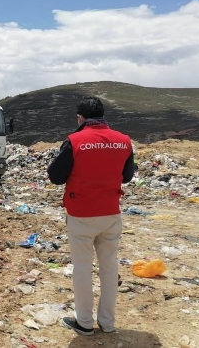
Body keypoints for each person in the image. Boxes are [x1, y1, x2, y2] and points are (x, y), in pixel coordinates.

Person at [46, 97, 134, 335]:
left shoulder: (75, 141)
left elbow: (55, 176)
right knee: (109, 267)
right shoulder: (124, 141)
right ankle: (107, 323)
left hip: (81, 213)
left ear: (80, 118)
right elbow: (127, 176)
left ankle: (84, 322)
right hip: (110, 213)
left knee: (83, 268)